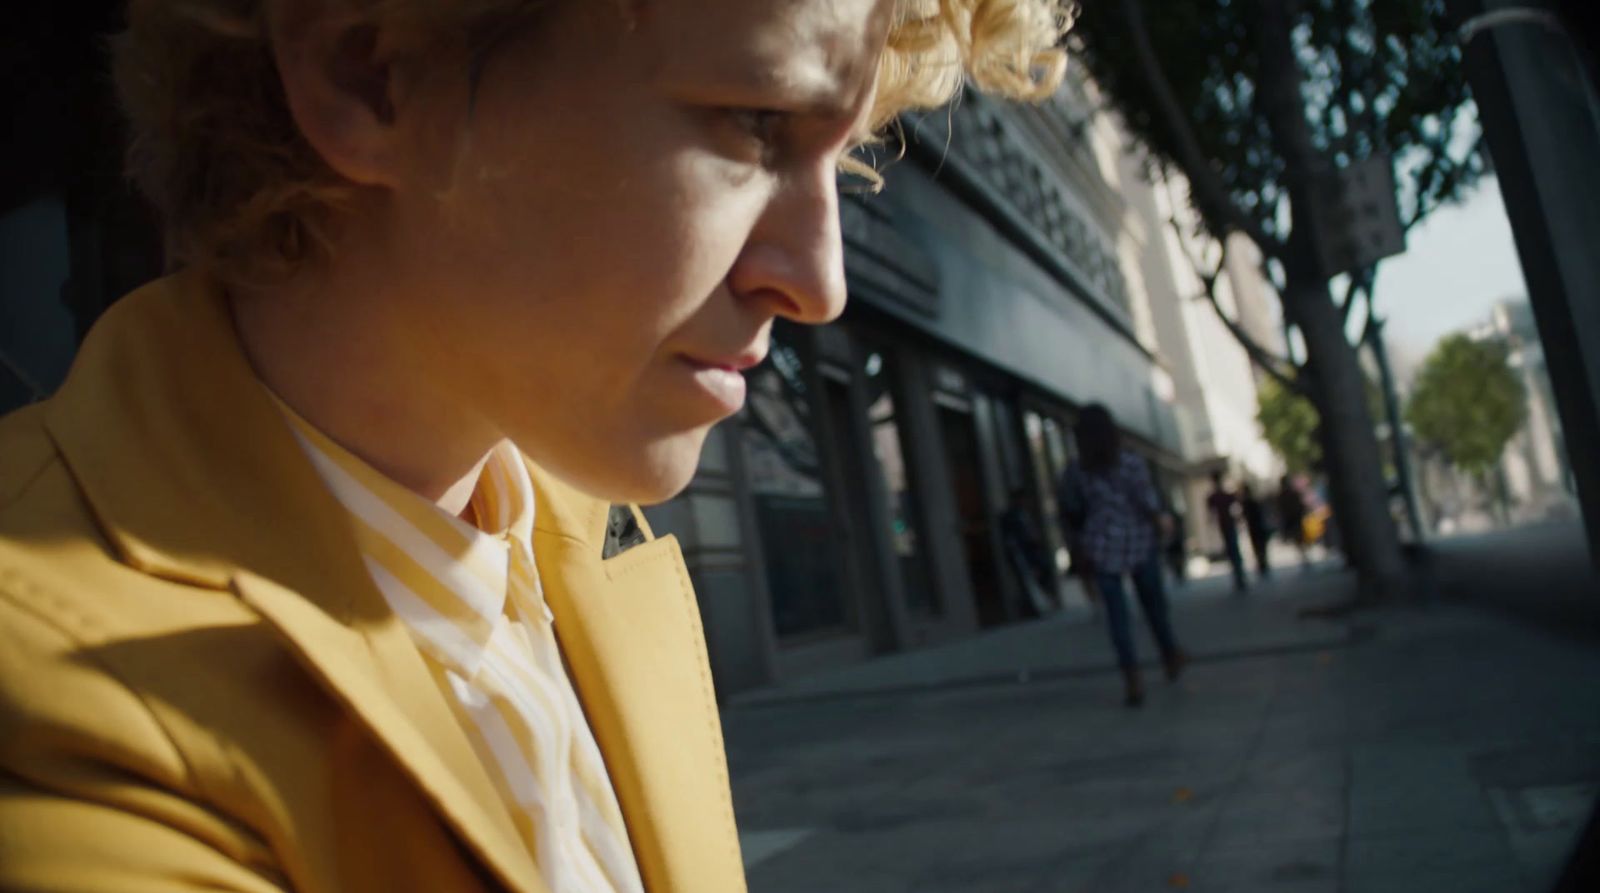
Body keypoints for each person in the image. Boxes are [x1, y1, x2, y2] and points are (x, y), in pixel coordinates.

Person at [0, 1, 1070, 890]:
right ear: (375, 72)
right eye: (754, 123)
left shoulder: (579, 545)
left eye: (844, 154)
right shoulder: (48, 685)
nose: (819, 282)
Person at [1059, 405, 1186, 707]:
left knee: (1118, 618)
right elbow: (1146, 500)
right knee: (1154, 605)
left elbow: (1073, 511)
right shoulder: (1130, 462)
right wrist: (1161, 524)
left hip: (1101, 545)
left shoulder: (1077, 470)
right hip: (1138, 541)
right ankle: (1169, 655)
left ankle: (1132, 678)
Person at [999, 488, 1056, 617]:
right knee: (1028, 580)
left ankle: (1044, 603)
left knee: (1042, 573)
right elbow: (1013, 538)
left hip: (1032, 551)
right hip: (1023, 553)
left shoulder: (1024, 514)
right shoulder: (1010, 516)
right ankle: (1035, 608)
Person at [1207, 469, 1250, 591]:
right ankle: (1239, 576)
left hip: (1226, 525)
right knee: (1233, 550)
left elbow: (1211, 514)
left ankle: (1239, 576)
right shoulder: (1221, 496)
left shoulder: (1216, 496)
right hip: (1227, 525)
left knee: (1233, 550)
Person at [1276, 473, 1312, 569]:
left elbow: (1281, 509)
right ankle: (1304, 555)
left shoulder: (1284, 495)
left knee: (1298, 538)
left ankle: (1304, 555)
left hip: (1293, 519)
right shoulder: (1288, 494)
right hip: (1294, 518)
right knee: (1299, 538)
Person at [1239, 481, 1273, 579]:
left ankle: (1262, 563)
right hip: (1257, 527)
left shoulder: (1247, 503)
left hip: (1255, 527)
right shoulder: (1252, 502)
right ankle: (1263, 563)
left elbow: (1244, 516)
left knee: (1258, 546)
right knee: (1260, 546)